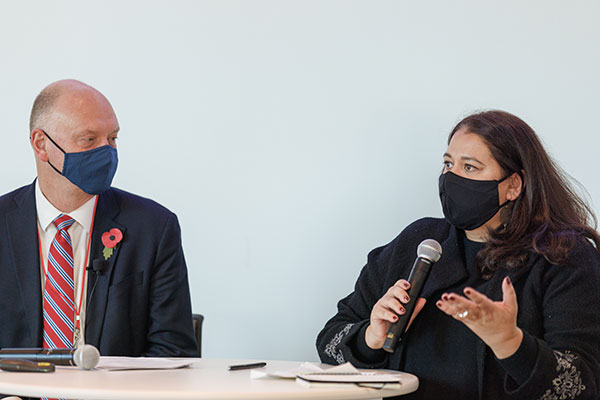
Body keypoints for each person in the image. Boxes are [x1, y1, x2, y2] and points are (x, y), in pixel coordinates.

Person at [316, 110, 600, 399]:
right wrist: (370, 338)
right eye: (448, 163)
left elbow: (582, 384)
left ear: (513, 185)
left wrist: (510, 343)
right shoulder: (419, 241)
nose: (452, 177)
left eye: (470, 167)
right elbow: (329, 343)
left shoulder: (564, 256)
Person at [0, 79, 197, 357]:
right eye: (89, 140)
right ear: (41, 144)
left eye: (112, 138)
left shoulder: (153, 228)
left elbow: (174, 352)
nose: (107, 152)